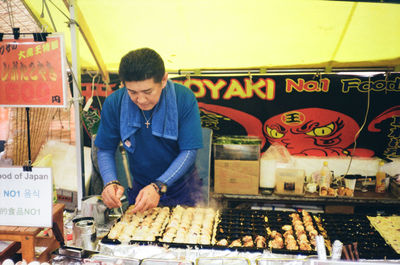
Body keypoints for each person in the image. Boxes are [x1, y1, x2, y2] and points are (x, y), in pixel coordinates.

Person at [94, 48, 203, 212]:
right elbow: (105, 149)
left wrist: (159, 185)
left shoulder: (184, 98)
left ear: (164, 80)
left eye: (148, 91)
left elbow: (189, 151)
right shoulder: (114, 103)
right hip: (141, 189)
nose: (141, 100)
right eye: (132, 92)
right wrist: (110, 181)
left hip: (183, 189)